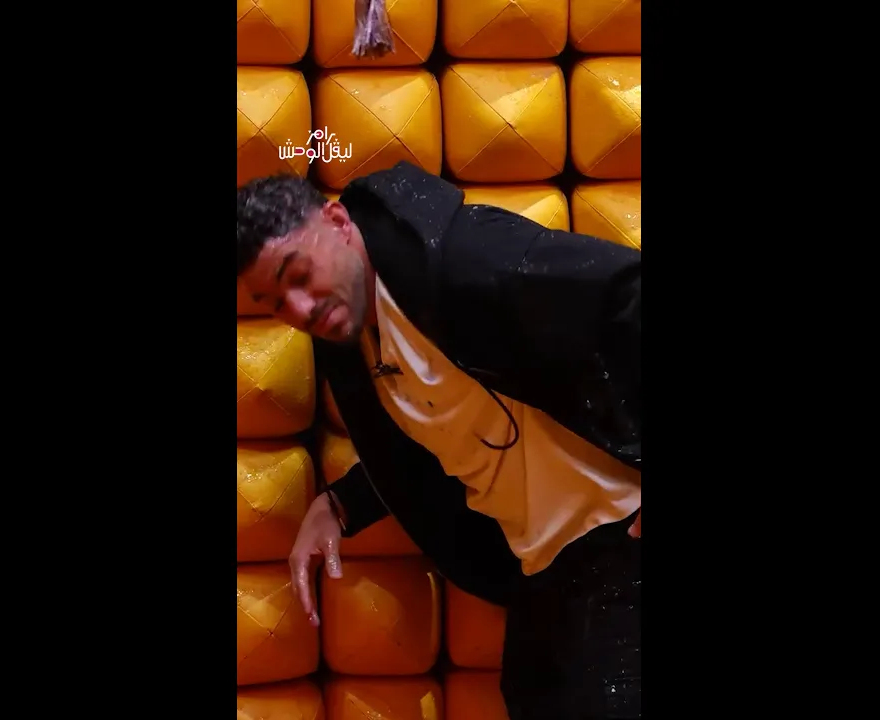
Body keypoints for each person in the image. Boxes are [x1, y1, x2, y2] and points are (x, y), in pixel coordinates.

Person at [237, 161, 642, 720]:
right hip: (541, 563)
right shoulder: (350, 332)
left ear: (338, 222)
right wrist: (343, 503)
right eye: (276, 303)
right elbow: (434, 427)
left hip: (620, 531)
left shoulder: (471, 259)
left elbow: (630, 294)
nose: (299, 309)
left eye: (299, 275)